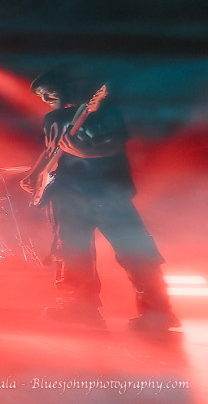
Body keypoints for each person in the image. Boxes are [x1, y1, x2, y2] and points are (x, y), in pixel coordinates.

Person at [19, 67, 179, 331]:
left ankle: (157, 311)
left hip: (106, 190)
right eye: (41, 95)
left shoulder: (101, 110)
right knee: (72, 253)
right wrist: (34, 174)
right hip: (67, 195)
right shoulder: (51, 119)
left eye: (49, 91)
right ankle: (80, 308)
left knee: (134, 249)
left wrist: (85, 152)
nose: (45, 98)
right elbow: (50, 151)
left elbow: (115, 143)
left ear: (66, 87)